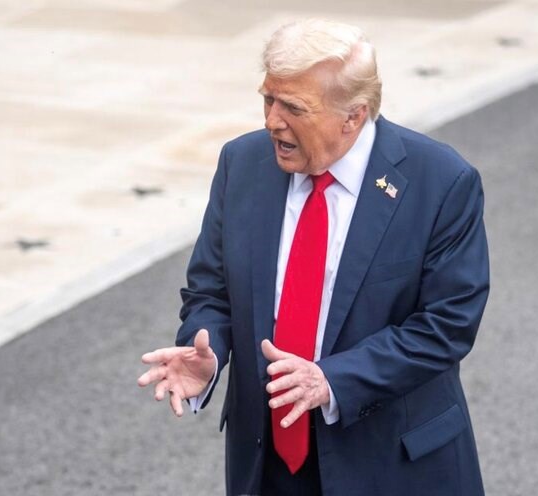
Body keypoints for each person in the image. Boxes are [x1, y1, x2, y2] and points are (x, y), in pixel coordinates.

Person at [138, 18, 489, 496]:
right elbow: (211, 291)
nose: (271, 121)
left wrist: (331, 380)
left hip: (393, 466)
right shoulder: (242, 164)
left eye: (293, 108)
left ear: (353, 115)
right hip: (270, 467)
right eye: (268, 99)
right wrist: (210, 353)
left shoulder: (441, 181)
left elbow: (446, 324)